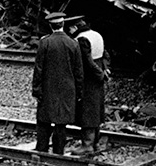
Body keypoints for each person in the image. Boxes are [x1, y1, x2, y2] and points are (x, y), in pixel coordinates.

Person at [32, 12, 84, 155]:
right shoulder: (73, 43)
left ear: (51, 26)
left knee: (44, 122)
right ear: (63, 25)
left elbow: (39, 69)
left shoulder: (45, 42)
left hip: (48, 88)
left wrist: (36, 90)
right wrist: (79, 92)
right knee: (61, 124)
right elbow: (79, 71)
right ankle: (58, 153)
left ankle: (41, 150)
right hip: (67, 89)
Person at [66, 16, 109, 155]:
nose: (70, 31)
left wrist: (99, 74)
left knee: (87, 110)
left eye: (71, 28)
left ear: (75, 27)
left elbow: (87, 61)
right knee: (96, 109)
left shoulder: (82, 39)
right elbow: (105, 55)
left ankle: (87, 144)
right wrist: (105, 70)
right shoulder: (97, 35)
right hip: (98, 77)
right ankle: (95, 143)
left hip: (88, 79)